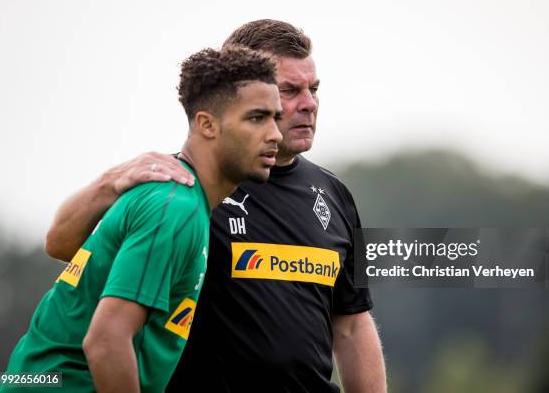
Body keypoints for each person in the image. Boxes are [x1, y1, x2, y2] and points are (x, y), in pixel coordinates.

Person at [45, 20, 387, 392]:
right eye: (289, 91)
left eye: (314, 89)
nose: (308, 104)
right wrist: (107, 183)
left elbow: (352, 324)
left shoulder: (334, 194)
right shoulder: (186, 189)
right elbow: (63, 248)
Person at [0, 46, 282, 393]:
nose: (275, 134)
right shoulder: (176, 210)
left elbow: (62, 247)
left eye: (275, 118)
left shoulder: (172, 197)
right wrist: (106, 180)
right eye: (257, 118)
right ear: (207, 124)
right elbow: (106, 341)